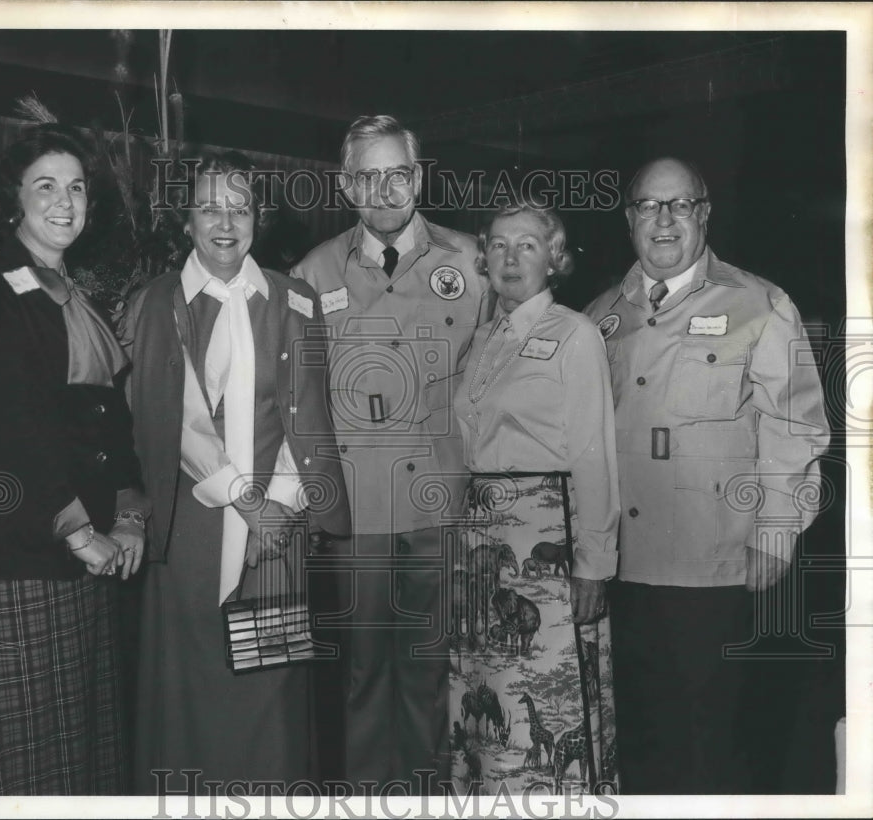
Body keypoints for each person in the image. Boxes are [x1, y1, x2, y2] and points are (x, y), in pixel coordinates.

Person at [584, 157, 830, 793]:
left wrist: (777, 533)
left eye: (679, 205)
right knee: (632, 737)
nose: (663, 220)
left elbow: (796, 427)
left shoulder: (760, 303)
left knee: (711, 743)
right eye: (648, 206)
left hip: (713, 565)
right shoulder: (599, 314)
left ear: (704, 214)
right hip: (621, 567)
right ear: (629, 218)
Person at [121, 150, 351, 794]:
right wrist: (242, 498)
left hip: (280, 524)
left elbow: (308, 411)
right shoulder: (159, 301)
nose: (226, 222)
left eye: (240, 207)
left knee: (272, 684)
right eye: (209, 207)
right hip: (193, 519)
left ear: (259, 218)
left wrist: (277, 504)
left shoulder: (295, 298)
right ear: (186, 221)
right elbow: (168, 418)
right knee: (194, 682)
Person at [290, 115, 488, 791]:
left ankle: (430, 794)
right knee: (362, 672)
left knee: (436, 669)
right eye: (367, 175)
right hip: (356, 507)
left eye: (397, 172)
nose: (384, 189)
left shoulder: (472, 261)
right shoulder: (314, 272)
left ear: (419, 177)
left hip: (442, 501)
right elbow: (297, 398)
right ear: (347, 185)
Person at [0, 123, 149, 794]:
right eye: (46, 187)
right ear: (15, 200)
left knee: (75, 762)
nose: (65, 202)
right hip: (23, 557)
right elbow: (4, 433)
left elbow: (111, 426)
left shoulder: (73, 294)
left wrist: (128, 518)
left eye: (77, 187)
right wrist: (77, 529)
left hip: (82, 559)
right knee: (22, 770)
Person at [448, 202, 620, 794]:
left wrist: (594, 563)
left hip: (546, 531)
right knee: (486, 692)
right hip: (483, 535)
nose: (511, 257)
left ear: (555, 258)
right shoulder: (482, 337)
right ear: (483, 257)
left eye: (527, 245)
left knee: (550, 689)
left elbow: (595, 453)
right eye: (498, 245)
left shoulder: (576, 334)